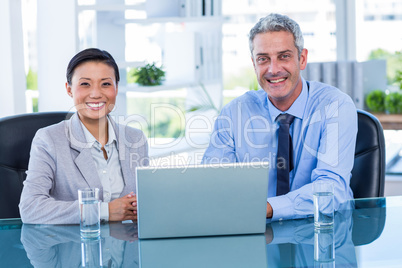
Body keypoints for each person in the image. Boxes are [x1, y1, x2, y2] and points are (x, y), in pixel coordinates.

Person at [202, 13, 357, 221]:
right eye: (263, 59)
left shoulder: (335, 106)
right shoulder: (233, 114)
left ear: (302, 59)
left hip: (325, 233)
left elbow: (330, 190)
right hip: (256, 238)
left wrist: (268, 208)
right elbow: (212, 185)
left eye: (284, 56)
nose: (273, 69)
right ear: (254, 64)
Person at [19, 48, 149, 224]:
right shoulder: (49, 139)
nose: (96, 94)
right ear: (69, 89)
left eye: (106, 84)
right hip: (75, 247)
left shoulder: (135, 139)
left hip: (128, 248)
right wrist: (104, 211)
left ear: (117, 88)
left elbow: (146, 201)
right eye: (85, 84)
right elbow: (30, 208)